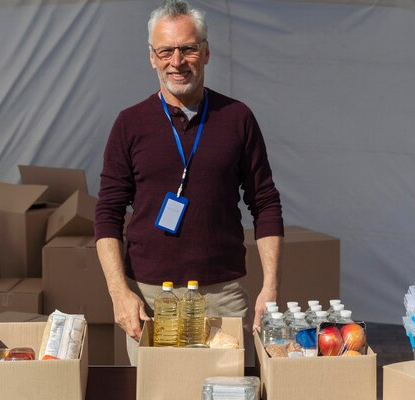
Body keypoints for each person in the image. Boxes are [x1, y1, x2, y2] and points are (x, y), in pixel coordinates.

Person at [94, 0, 283, 362]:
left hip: (222, 295)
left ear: (206, 53)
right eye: (165, 51)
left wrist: (269, 287)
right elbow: (107, 212)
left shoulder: (237, 118)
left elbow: (265, 202)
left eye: (188, 49)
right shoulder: (129, 124)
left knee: (228, 390)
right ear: (152, 57)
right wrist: (119, 293)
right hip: (149, 299)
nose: (176, 62)